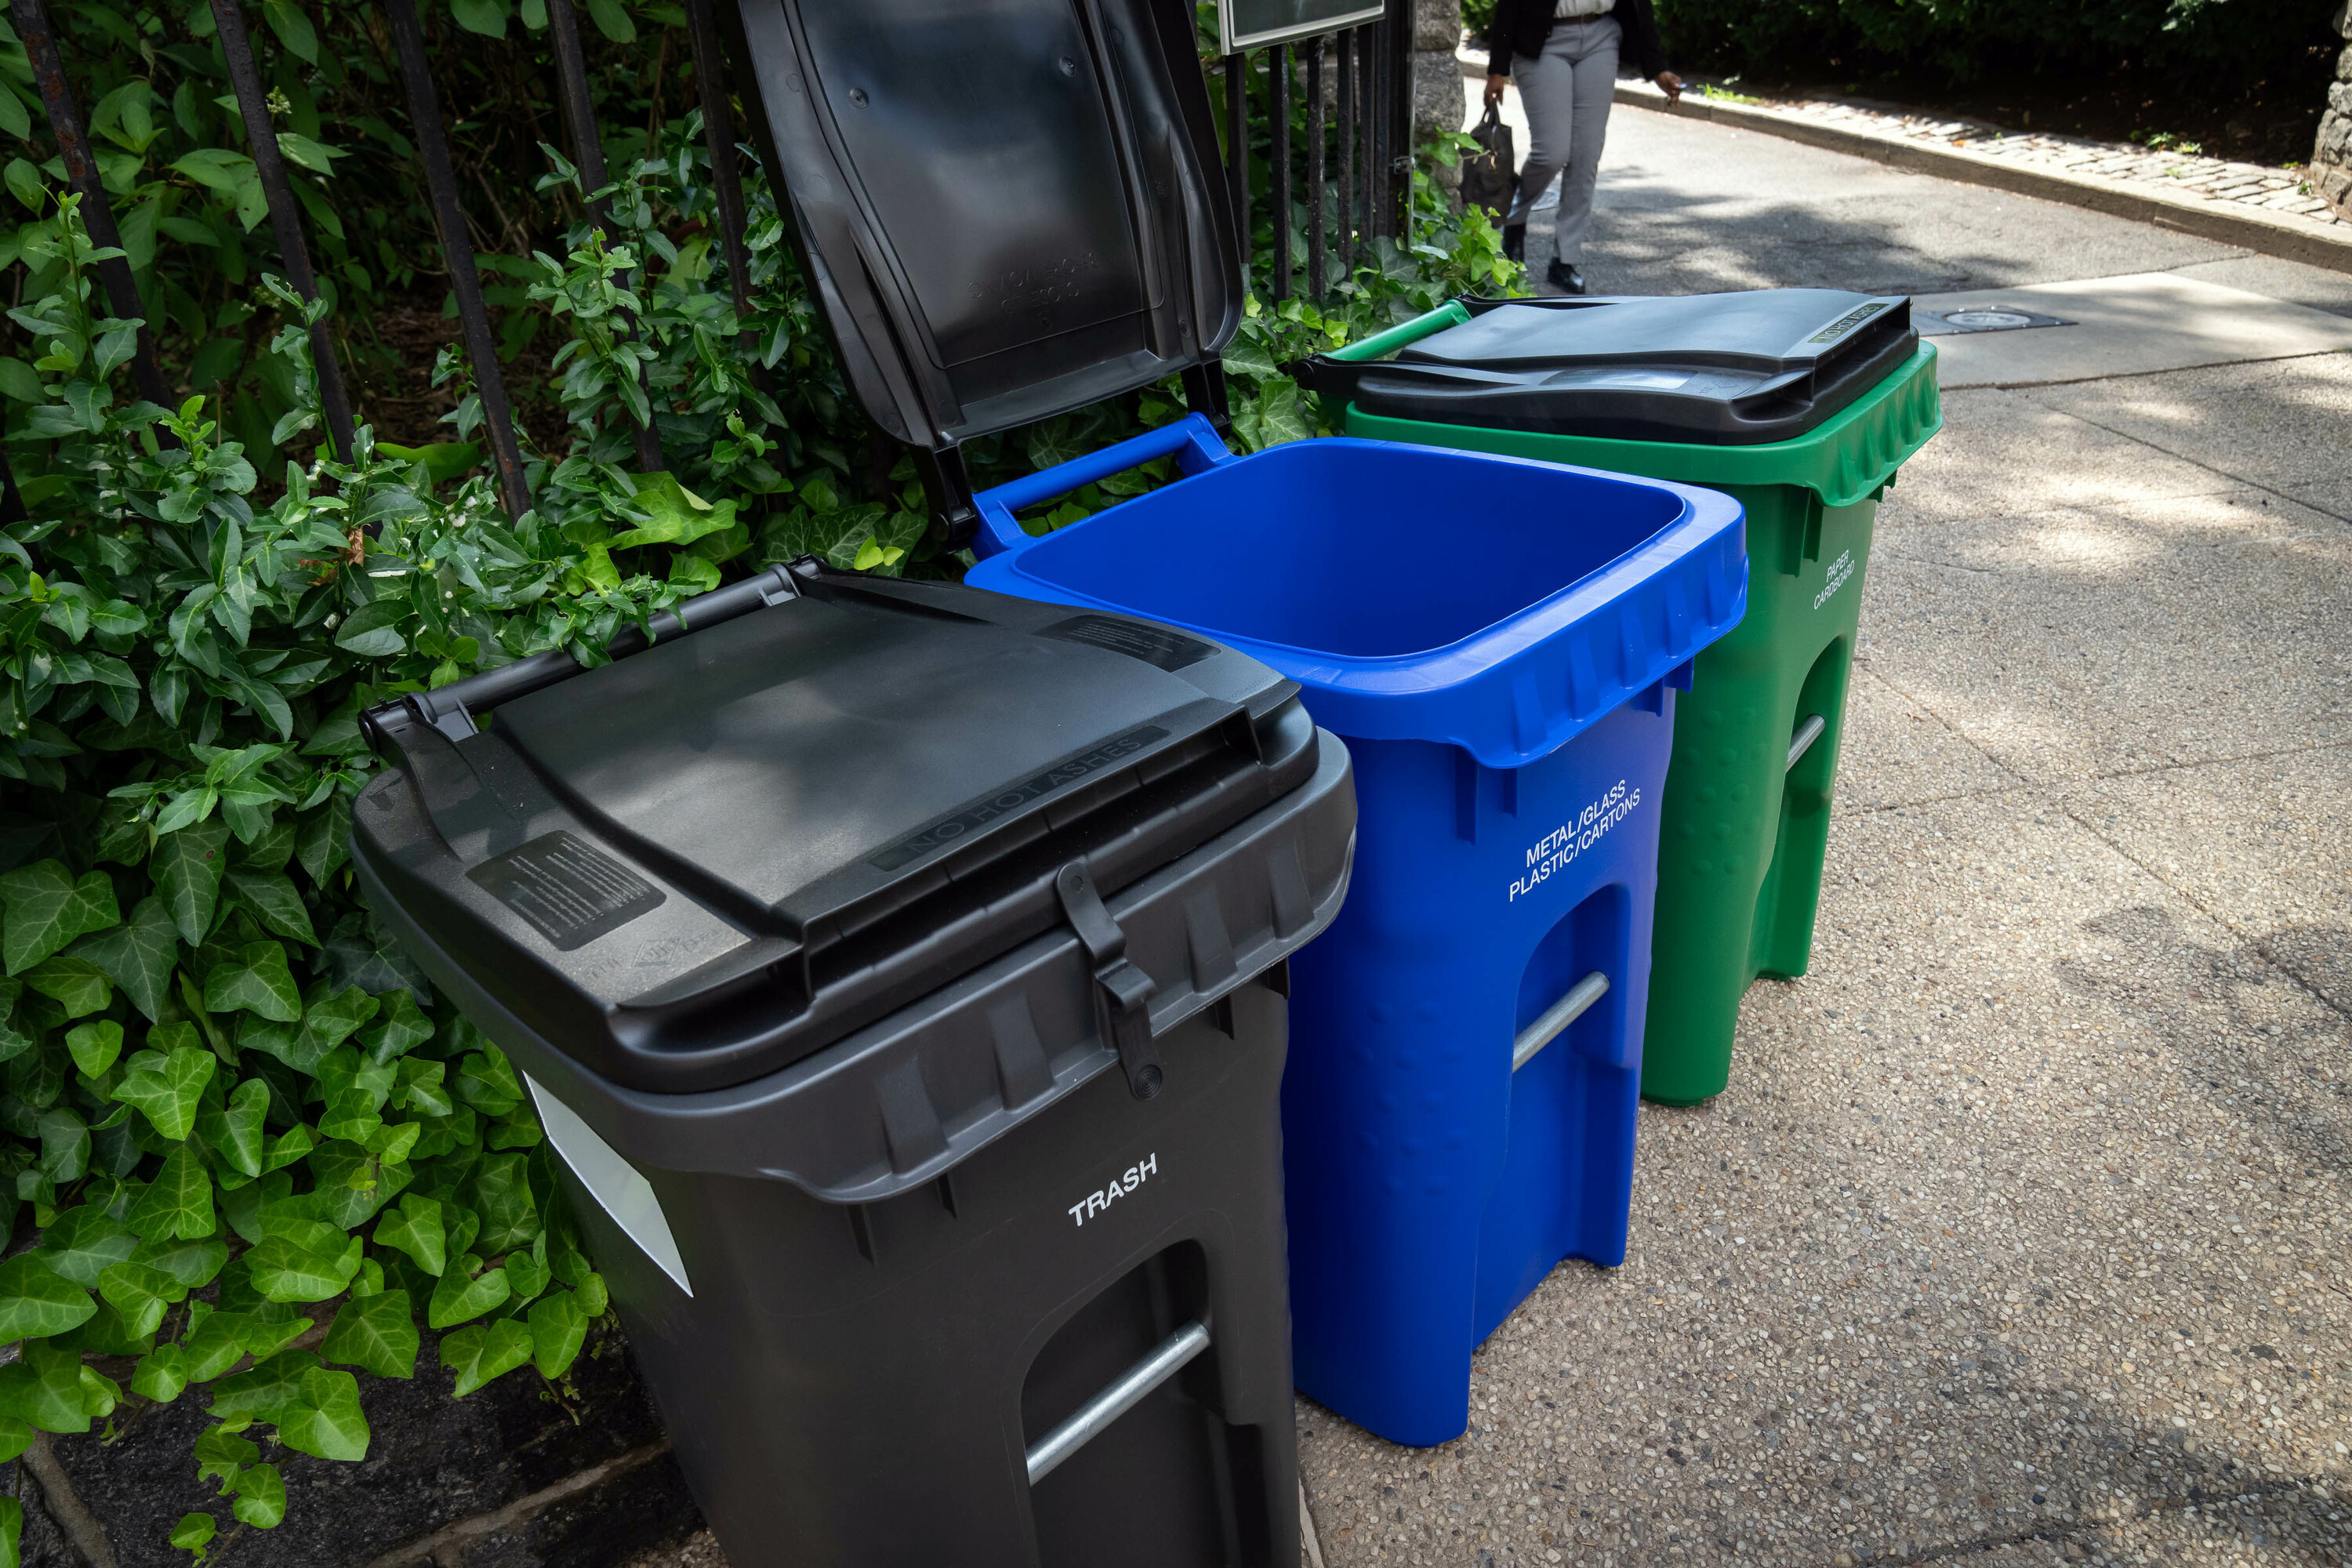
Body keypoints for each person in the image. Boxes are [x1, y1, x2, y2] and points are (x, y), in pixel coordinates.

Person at [1484, 0, 1682, 295]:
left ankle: (1565, 259)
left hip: (1600, 38)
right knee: (1551, 152)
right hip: (1543, 41)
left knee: (1586, 154)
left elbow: (1640, 4)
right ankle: (1516, 220)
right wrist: (1496, 69)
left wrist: (1657, 68)